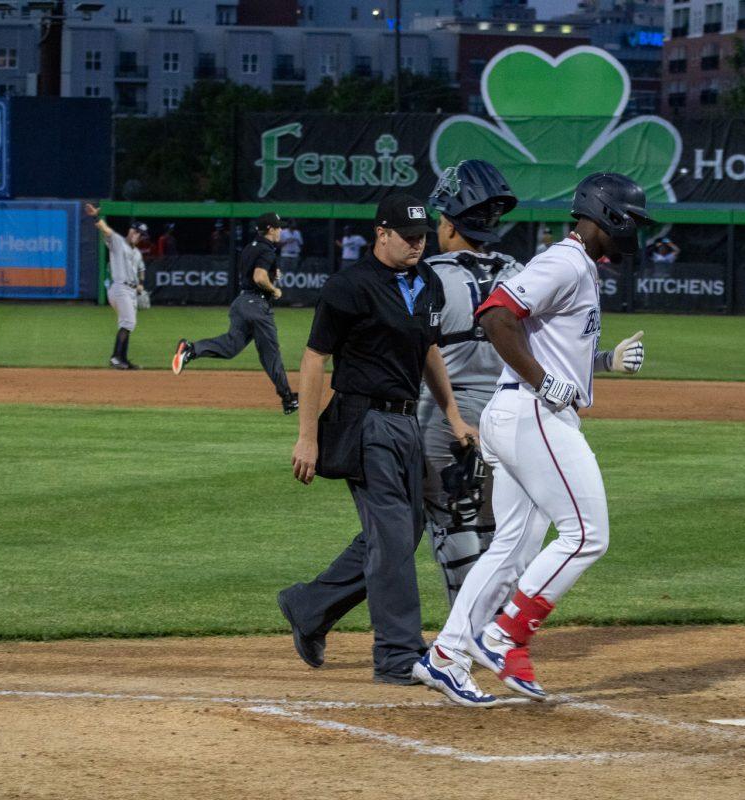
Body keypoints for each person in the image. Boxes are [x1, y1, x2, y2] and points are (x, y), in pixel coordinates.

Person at [412, 173, 648, 707]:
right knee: (587, 535)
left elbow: (554, 348)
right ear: (606, 215)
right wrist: (543, 382)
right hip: (534, 412)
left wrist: (605, 362)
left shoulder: (578, 266)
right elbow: (495, 315)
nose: (637, 230)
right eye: (631, 218)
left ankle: (447, 656)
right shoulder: (564, 261)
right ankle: (503, 634)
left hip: (522, 411)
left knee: (513, 548)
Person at [277, 193, 475, 686]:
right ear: (380, 234)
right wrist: (307, 438)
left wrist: (452, 415)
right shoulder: (349, 286)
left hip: (406, 420)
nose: (416, 245)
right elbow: (313, 358)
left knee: (403, 531)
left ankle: (310, 606)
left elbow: (428, 349)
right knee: (390, 534)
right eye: (407, 238)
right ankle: (397, 654)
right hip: (363, 420)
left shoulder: (427, 282)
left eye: (423, 237)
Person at [420, 159, 522, 608]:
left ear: (450, 223)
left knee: (451, 522)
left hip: (446, 416)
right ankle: (496, 623)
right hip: (507, 415)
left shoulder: (428, 276)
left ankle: (465, 630)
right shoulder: (519, 271)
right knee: (495, 523)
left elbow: (410, 351)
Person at [171, 212, 298, 414]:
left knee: (231, 346)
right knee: (270, 354)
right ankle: (288, 398)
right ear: (270, 229)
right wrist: (274, 289)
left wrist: (273, 275)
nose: (281, 230)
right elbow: (258, 277)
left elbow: (253, 273)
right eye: (278, 227)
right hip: (256, 305)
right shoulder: (267, 250)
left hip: (241, 302)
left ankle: (191, 349)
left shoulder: (249, 248)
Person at [86, 203, 147, 370]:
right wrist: (95, 217)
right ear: (130, 230)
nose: (138, 235)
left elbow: (142, 269)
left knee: (127, 324)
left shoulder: (137, 253)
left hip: (131, 291)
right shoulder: (118, 242)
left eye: (141, 234)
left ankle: (123, 360)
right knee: (128, 322)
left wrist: (141, 284)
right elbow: (105, 230)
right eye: (136, 232)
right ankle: (115, 358)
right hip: (120, 289)